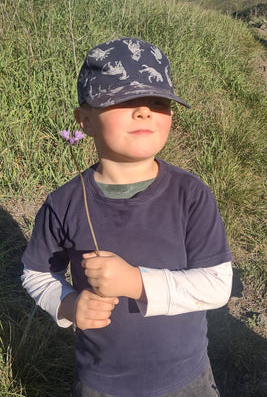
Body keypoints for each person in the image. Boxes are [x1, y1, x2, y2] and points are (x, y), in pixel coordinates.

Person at [21, 37, 233, 397]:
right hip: (100, 382)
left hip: (186, 379)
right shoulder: (64, 202)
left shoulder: (190, 194)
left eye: (157, 101)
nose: (144, 111)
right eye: (124, 100)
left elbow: (217, 285)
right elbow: (37, 273)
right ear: (84, 121)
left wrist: (136, 282)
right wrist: (69, 304)